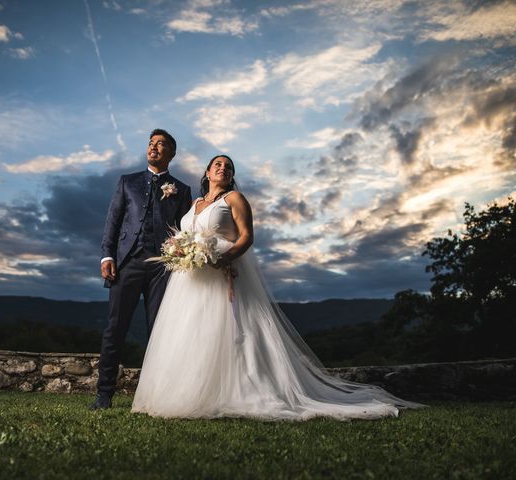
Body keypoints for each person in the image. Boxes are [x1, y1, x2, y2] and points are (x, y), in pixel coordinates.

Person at [132, 154, 423, 420]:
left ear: (231, 176)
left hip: (224, 272)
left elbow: (247, 237)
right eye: (218, 164)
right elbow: (186, 233)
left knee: (231, 330)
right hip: (191, 278)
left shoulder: (234, 199)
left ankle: (239, 390)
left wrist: (224, 258)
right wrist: (179, 249)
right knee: (191, 332)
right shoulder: (194, 205)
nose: (223, 168)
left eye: (229, 167)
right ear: (207, 172)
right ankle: (186, 391)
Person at [90, 129, 192, 410]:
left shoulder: (181, 190)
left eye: (160, 145)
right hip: (127, 264)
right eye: (151, 144)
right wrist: (106, 256)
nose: (153, 148)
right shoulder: (127, 182)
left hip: (163, 268)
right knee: (115, 328)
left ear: (171, 153)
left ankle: (158, 395)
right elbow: (113, 221)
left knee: (160, 332)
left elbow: (185, 231)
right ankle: (104, 394)